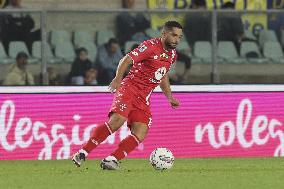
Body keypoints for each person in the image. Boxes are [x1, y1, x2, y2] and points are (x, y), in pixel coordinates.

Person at [72, 21, 182, 170]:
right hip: (130, 88)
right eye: (174, 35)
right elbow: (126, 60)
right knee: (117, 120)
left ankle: (111, 160)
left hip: (143, 98)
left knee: (140, 132)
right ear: (164, 34)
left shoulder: (172, 55)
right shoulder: (150, 47)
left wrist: (169, 96)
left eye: (179, 37)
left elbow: (163, 75)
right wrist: (118, 79)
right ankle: (83, 152)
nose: (177, 40)